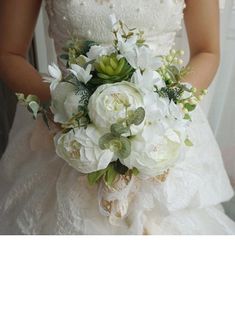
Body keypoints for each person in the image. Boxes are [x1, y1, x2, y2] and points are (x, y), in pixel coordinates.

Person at [0, 0, 234, 235]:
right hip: (64, 130)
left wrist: (163, 113)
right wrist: (67, 108)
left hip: (160, 127)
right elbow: (9, 53)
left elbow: (207, 50)